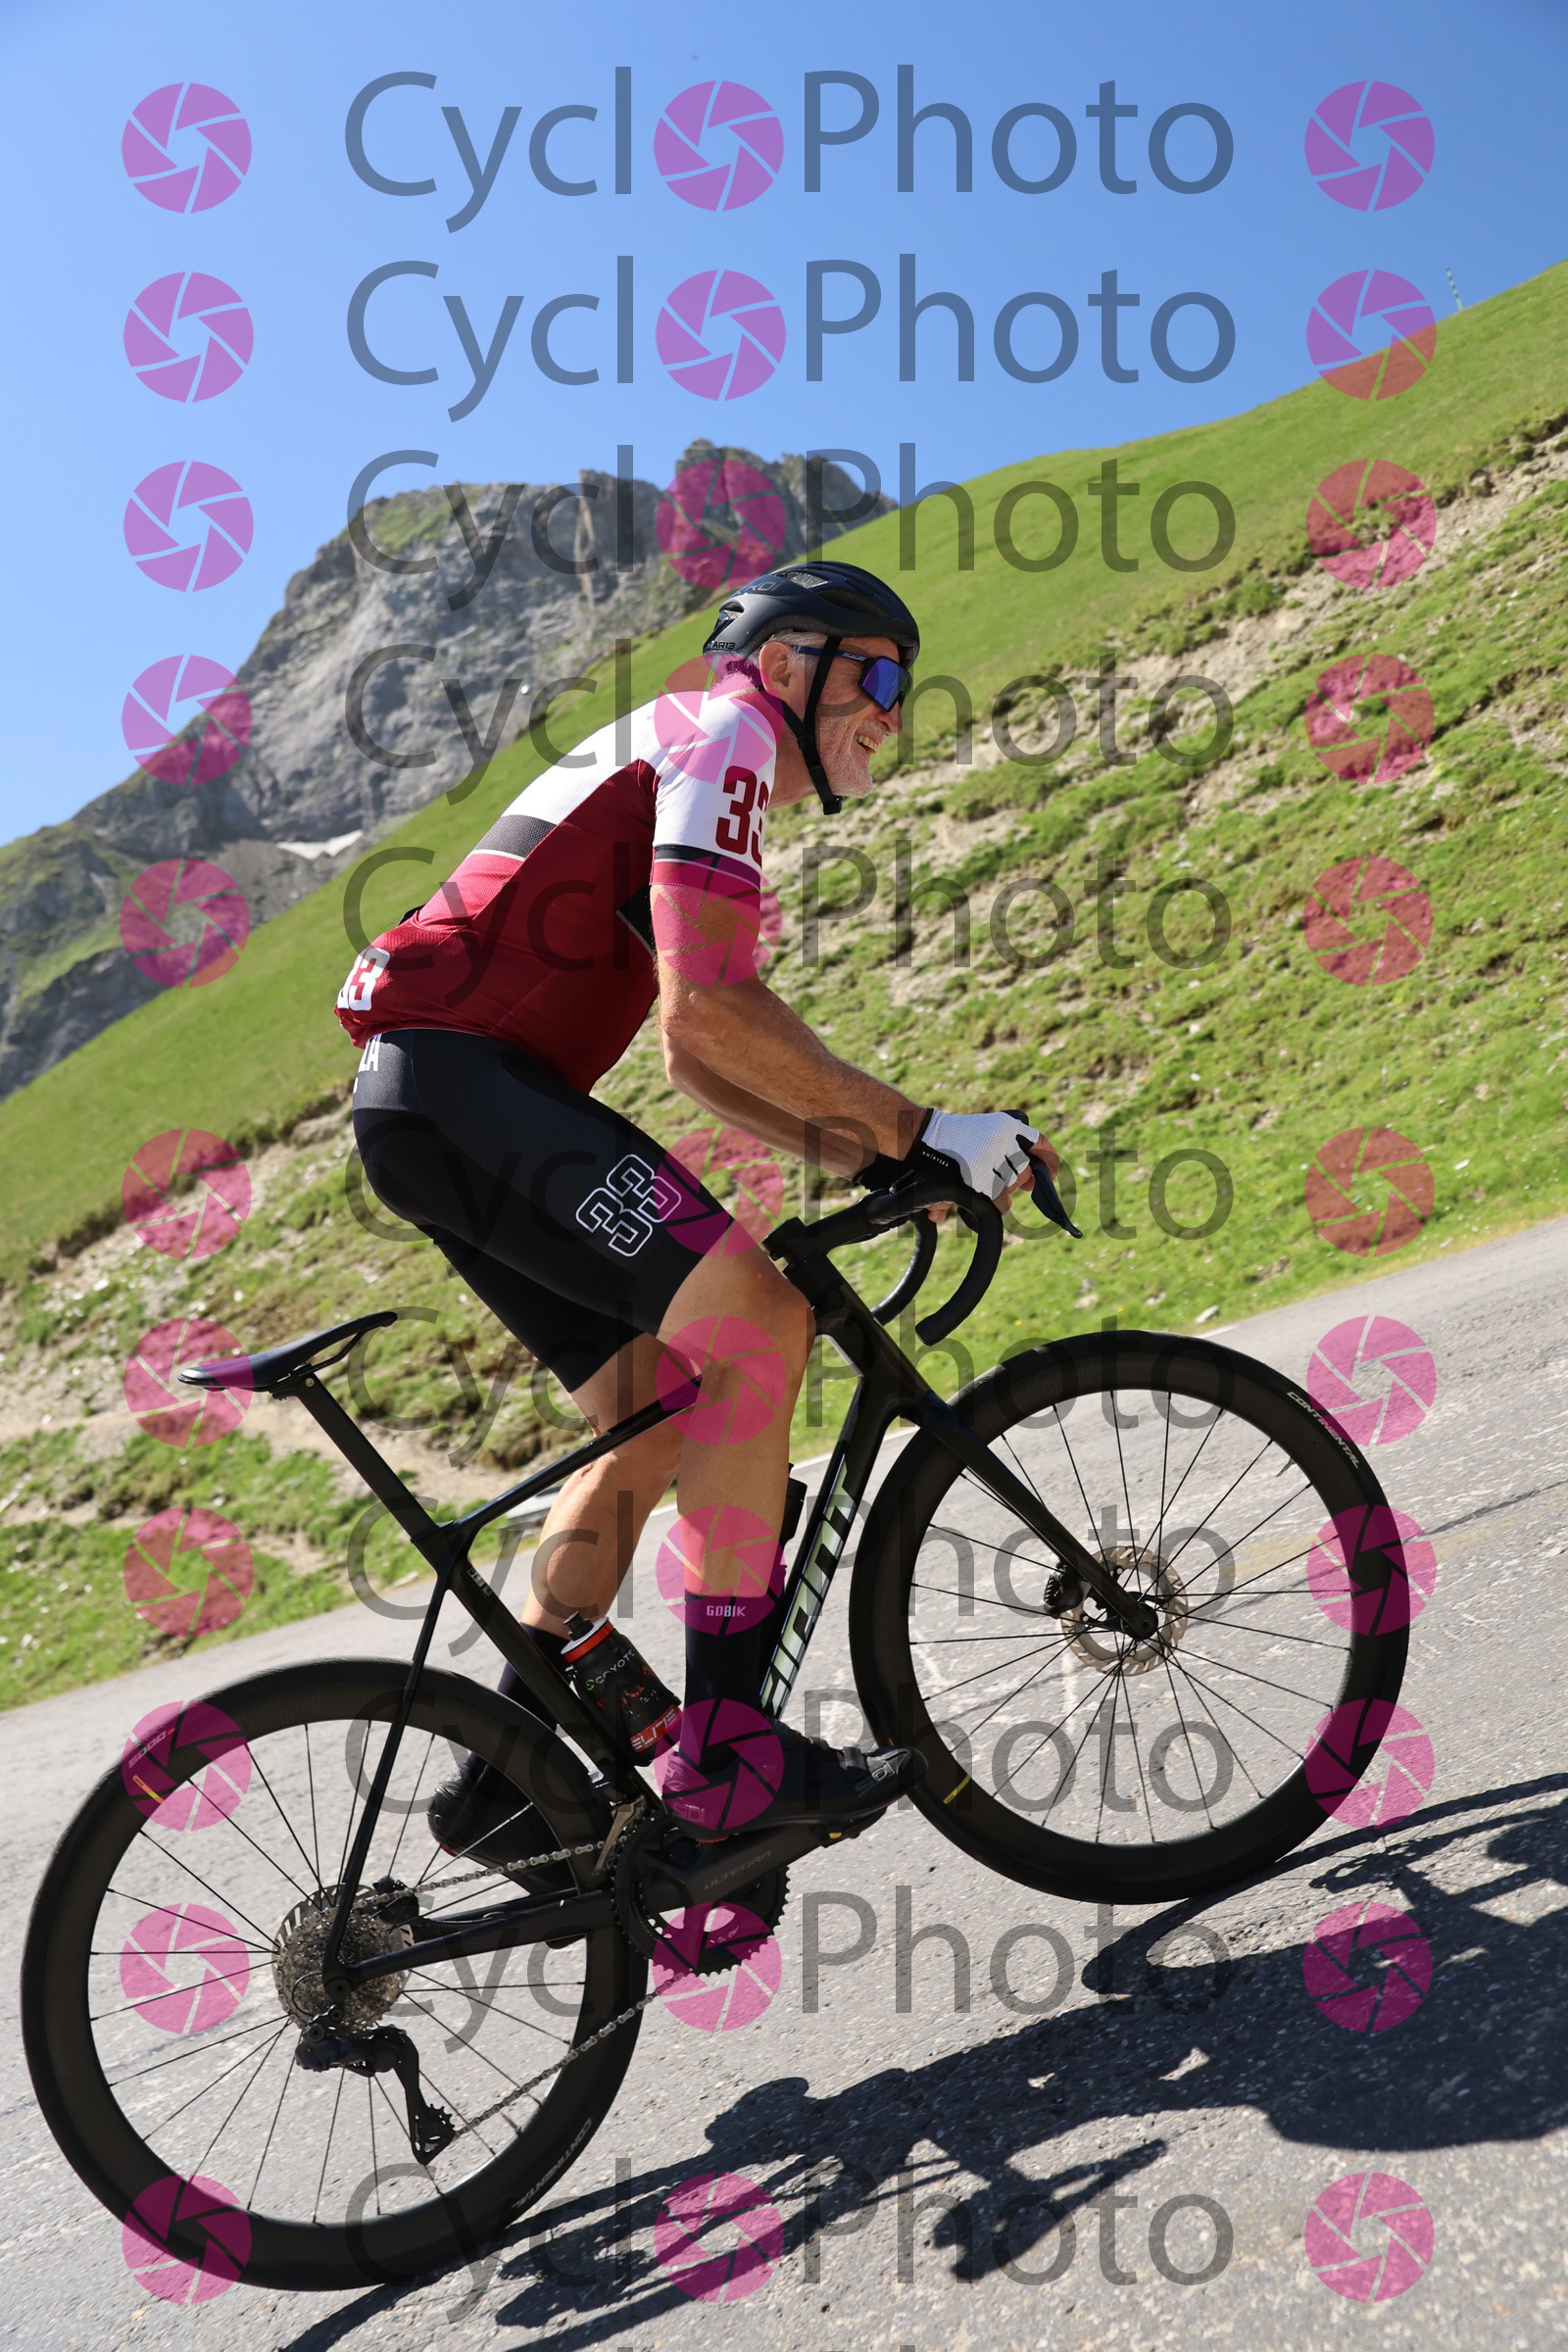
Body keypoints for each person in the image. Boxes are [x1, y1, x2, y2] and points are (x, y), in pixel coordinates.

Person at [334, 561, 1058, 1867]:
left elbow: (691, 1057)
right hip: (470, 1087)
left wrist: (872, 1162)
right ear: (783, 666)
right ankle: (727, 1758)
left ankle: (506, 1768)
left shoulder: (683, 747)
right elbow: (712, 1007)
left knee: (657, 1409)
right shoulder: (726, 735)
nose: (891, 710)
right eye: (874, 672)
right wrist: (924, 1131)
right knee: (761, 1330)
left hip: (431, 1105)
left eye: (905, 685)